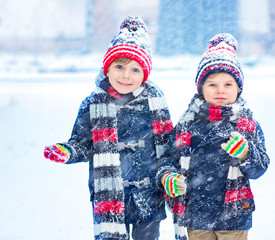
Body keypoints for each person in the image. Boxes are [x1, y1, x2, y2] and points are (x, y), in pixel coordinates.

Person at [44, 16, 176, 240]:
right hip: (110, 193)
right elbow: (83, 144)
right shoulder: (93, 104)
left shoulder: (155, 102)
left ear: (145, 74)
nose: (126, 75)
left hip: (150, 191)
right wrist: (68, 151)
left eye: (135, 70)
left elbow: (168, 145)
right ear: (107, 68)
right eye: (120, 66)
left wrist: (170, 174)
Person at [160, 33, 270, 240]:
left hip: (234, 215)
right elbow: (168, 159)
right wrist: (168, 177)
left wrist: (246, 153)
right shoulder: (187, 123)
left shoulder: (247, 125)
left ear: (239, 88)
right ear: (201, 88)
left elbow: (260, 167)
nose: (220, 90)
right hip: (196, 214)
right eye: (212, 84)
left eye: (228, 84)